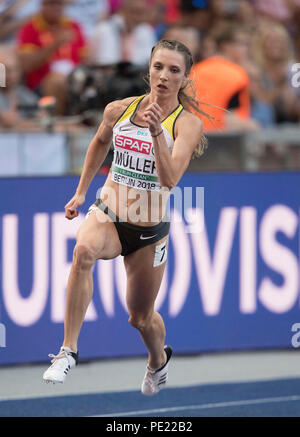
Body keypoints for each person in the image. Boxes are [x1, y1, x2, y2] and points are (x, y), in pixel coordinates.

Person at [42, 39, 206, 396]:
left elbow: (169, 179)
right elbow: (99, 142)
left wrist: (155, 133)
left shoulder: (186, 125)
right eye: (159, 67)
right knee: (83, 251)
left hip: (148, 233)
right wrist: (82, 191)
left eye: (174, 70)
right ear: (149, 69)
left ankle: (157, 360)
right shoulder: (118, 109)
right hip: (109, 214)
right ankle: (68, 351)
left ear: (184, 78)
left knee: (140, 318)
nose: (164, 76)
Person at [17, 0, 88, 115]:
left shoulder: (73, 26)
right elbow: (26, 66)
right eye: (51, 3)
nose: (56, 7)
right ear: (43, 5)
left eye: (59, 3)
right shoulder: (31, 28)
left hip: (73, 81)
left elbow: (84, 59)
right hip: (39, 86)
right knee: (57, 81)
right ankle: (56, 123)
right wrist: (56, 44)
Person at [190, 24, 259, 132]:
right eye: (243, 44)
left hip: (191, 136)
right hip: (220, 139)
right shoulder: (237, 74)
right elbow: (231, 118)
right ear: (226, 45)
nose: (247, 49)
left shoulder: (196, 69)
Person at [89, 0, 157, 67]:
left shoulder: (146, 31)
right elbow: (98, 60)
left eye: (142, 13)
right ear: (123, 10)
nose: (139, 17)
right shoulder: (104, 29)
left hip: (136, 74)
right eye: (135, 12)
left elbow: (147, 60)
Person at [0, 45, 40, 130]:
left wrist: (17, 123)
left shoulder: (23, 93)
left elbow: (41, 116)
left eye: (12, 69)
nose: (8, 75)